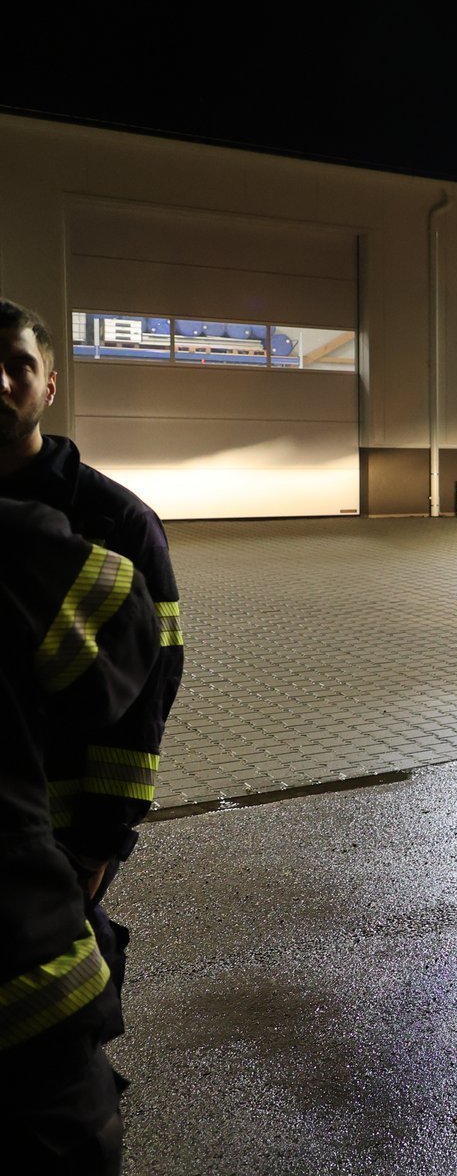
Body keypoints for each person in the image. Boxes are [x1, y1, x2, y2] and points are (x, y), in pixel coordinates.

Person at [0, 299, 181, 1045]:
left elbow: (146, 700)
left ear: (49, 386)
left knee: (56, 1004)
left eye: (17, 365)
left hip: (61, 834)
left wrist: (99, 845)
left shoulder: (115, 522)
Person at [1, 498, 161, 1173]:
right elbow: (125, 650)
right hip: (21, 968)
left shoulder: (117, 515)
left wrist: (99, 834)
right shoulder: (19, 543)